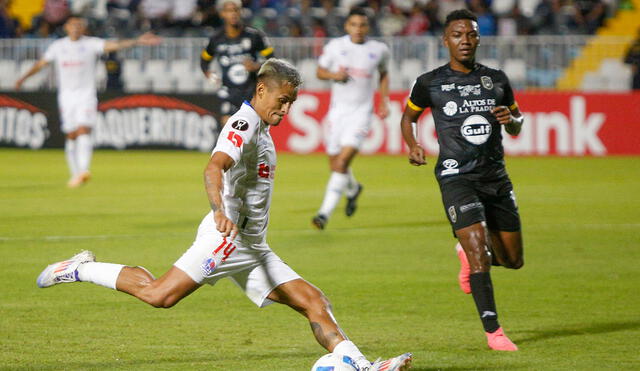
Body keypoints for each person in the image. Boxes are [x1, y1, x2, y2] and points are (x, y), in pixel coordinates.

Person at [36, 59, 412, 371]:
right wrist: (219, 211)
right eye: (282, 100)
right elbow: (213, 167)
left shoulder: (262, 127)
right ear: (261, 90)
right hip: (226, 240)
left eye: (292, 103)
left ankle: (359, 364)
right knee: (158, 295)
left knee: (314, 300)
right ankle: (78, 268)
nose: (286, 109)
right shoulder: (244, 123)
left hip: (252, 244)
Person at [399, 9, 524, 351]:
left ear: (478, 38)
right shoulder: (430, 82)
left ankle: (467, 254)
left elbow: (517, 122)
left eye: (470, 34)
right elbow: (408, 117)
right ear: (446, 40)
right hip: (456, 177)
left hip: (495, 177)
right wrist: (413, 144)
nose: (464, 41)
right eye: (457, 35)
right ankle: (494, 332)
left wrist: (510, 119)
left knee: (513, 260)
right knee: (480, 250)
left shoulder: (497, 79)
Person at [15, 16, 161, 187]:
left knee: (84, 129)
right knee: (71, 134)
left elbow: (114, 45)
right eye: (73, 25)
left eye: (79, 25)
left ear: (83, 28)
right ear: (67, 27)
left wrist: (137, 41)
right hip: (66, 96)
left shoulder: (90, 43)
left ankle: (84, 170)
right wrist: (23, 78)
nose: (76, 28)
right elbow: (41, 64)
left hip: (86, 95)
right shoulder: (58, 46)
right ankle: (75, 173)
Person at [311, 7, 390, 230]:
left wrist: (383, 101)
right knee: (336, 164)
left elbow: (384, 73)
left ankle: (323, 214)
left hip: (362, 113)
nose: (358, 29)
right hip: (337, 113)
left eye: (362, 25)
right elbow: (319, 71)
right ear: (347, 26)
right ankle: (353, 188)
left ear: (368, 27)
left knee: (343, 162)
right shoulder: (336, 47)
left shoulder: (379, 49)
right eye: (354, 25)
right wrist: (334, 75)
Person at [200, 0, 274, 125]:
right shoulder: (215, 39)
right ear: (222, 14)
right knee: (228, 127)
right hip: (228, 92)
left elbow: (272, 61)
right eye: (229, 11)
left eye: (236, 10)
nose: (233, 14)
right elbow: (204, 61)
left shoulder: (254, 36)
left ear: (240, 12)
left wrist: (256, 66)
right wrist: (209, 74)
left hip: (251, 92)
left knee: (250, 134)